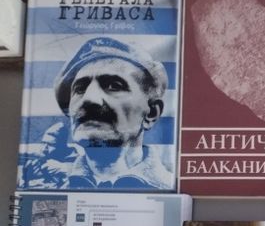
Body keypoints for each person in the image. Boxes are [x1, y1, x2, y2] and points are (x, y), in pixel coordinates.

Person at [53, 37, 174, 190]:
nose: (89, 99)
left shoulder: (172, 188)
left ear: (151, 113)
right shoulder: (50, 188)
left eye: (114, 86)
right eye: (80, 89)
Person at [20, 122, 75, 188]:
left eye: (51, 144)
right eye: (43, 143)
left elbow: (79, 178)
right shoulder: (38, 160)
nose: (44, 149)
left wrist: (62, 168)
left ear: (62, 146)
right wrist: (25, 178)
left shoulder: (74, 160)